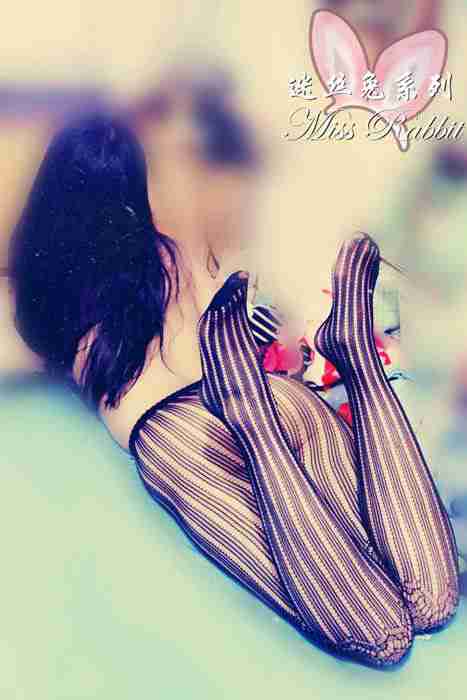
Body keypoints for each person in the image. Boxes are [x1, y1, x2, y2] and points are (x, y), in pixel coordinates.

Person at [7, 111, 459, 668]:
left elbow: (22, 353)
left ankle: (253, 420)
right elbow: (219, 323)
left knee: (380, 633)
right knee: (432, 601)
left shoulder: (38, 291)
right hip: (268, 393)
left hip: (177, 435)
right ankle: (354, 352)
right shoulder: (168, 253)